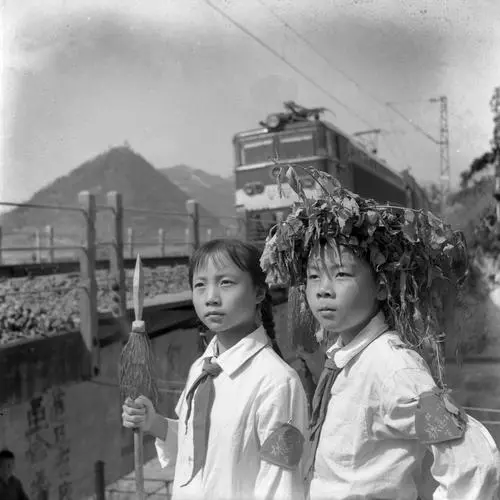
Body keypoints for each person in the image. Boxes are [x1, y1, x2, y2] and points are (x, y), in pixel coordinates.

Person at [260, 165, 500, 499]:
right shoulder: (340, 360)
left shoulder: (394, 370)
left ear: (383, 287)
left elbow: (472, 463)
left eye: (341, 274)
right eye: (314, 276)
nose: (322, 290)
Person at [122, 239, 309, 500]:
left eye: (226, 283)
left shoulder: (276, 382)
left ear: (259, 292)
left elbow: (280, 485)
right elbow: (195, 447)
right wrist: (153, 422)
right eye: (200, 285)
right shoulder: (202, 368)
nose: (211, 298)